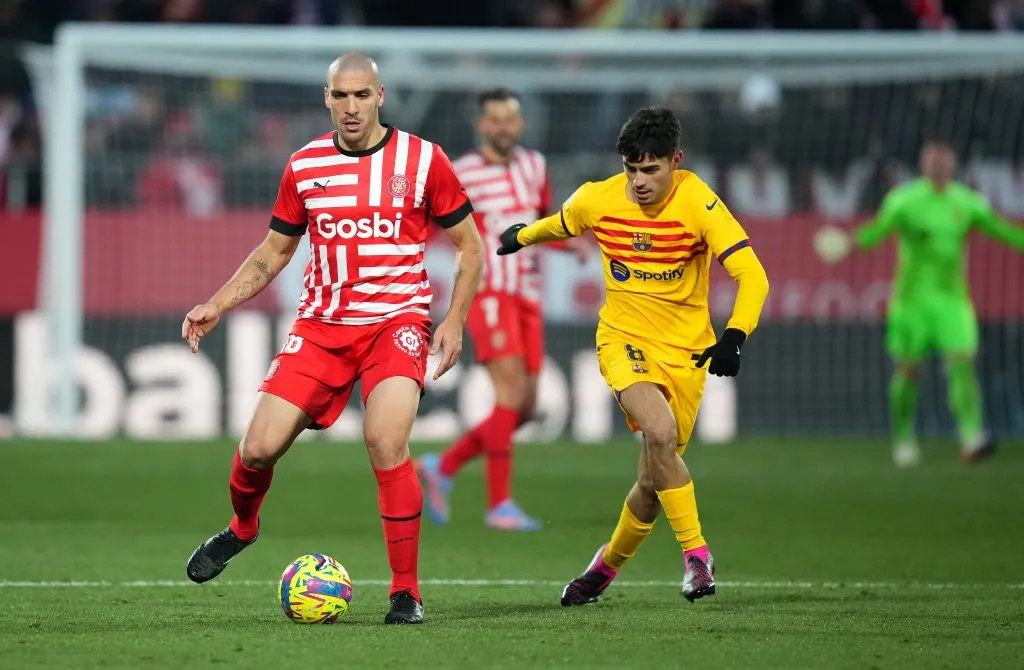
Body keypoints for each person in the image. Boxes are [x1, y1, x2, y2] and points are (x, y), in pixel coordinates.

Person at [181, 53, 484, 625]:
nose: (351, 107)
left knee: (385, 440)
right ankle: (243, 528)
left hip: (398, 323)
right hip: (321, 330)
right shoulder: (304, 165)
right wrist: (216, 304)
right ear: (327, 99)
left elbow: (470, 245)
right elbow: (274, 252)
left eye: (361, 96)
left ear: (380, 96)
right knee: (257, 450)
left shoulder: (423, 160)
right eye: (340, 96)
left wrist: (454, 318)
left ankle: (405, 593)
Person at [495, 106, 769, 605]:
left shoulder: (699, 204)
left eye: (650, 169)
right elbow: (562, 222)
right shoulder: (600, 198)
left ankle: (602, 569)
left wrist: (734, 336)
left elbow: (754, 275)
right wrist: (521, 236)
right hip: (624, 340)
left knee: (651, 481)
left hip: (687, 353)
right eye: (631, 168)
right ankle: (697, 557)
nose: (639, 181)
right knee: (659, 433)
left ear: (675, 161)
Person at [416, 87, 589, 531]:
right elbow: (444, 229)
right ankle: (500, 505)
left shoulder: (536, 166)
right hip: (488, 294)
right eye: (494, 119)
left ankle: (443, 466)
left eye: (509, 119)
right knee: (509, 397)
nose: (503, 127)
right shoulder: (463, 171)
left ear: (521, 124)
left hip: (529, 294)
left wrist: (574, 246)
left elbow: (543, 220)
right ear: (481, 125)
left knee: (526, 408)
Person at [844, 137, 1023, 466]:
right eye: (932, 159)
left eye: (944, 159)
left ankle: (972, 436)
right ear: (924, 164)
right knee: (909, 371)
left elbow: (1005, 233)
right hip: (911, 303)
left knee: (962, 363)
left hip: (952, 301)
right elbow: (876, 233)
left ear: (953, 164)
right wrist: (849, 244)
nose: (939, 165)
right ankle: (903, 437)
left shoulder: (969, 204)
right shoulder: (904, 201)